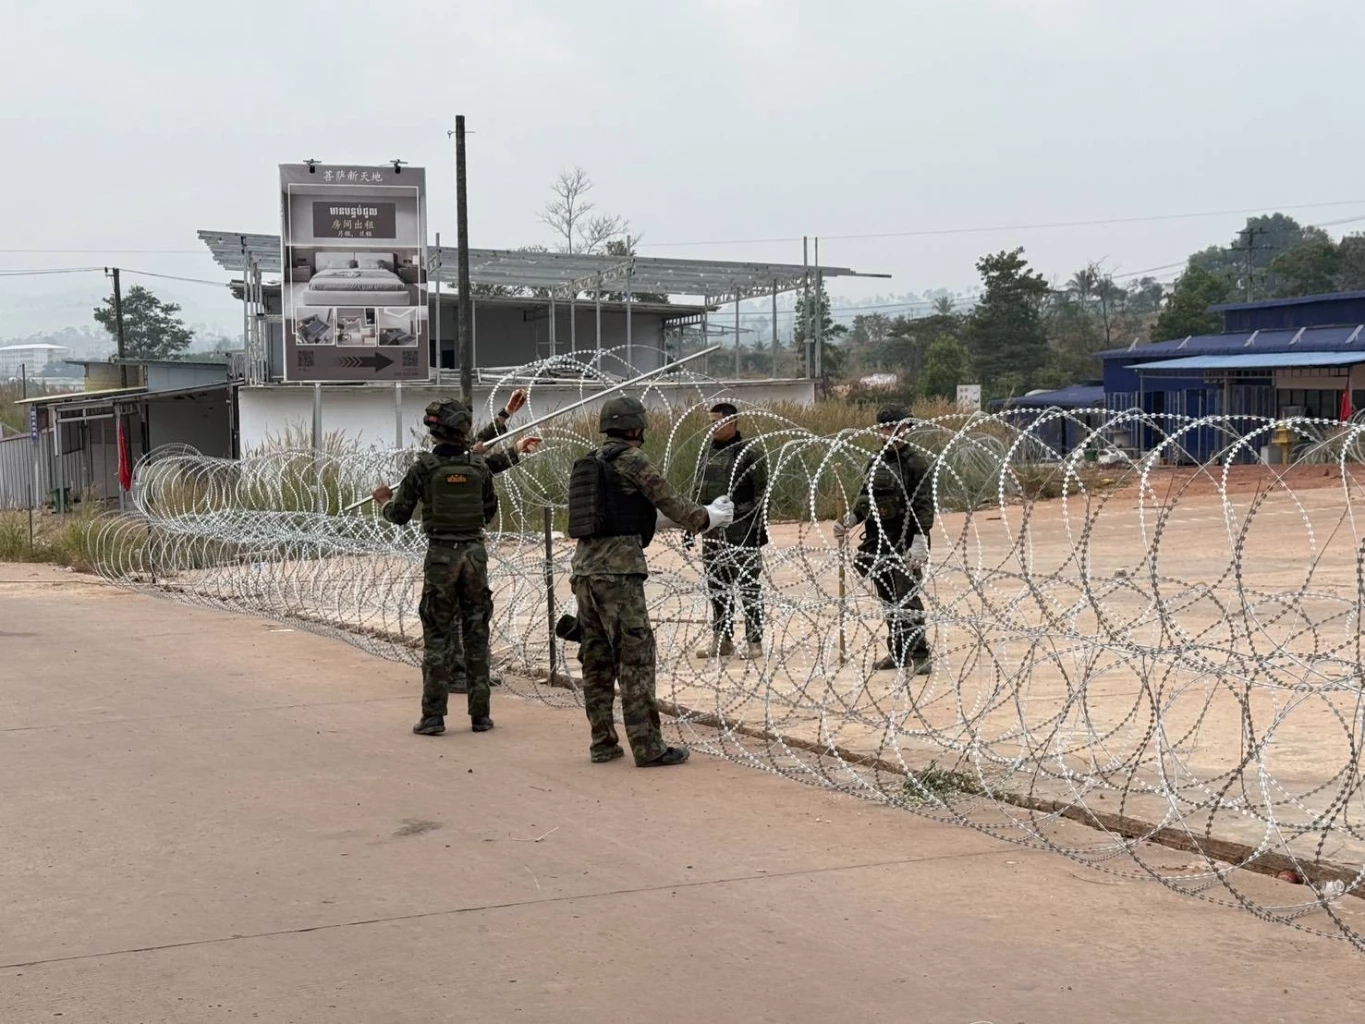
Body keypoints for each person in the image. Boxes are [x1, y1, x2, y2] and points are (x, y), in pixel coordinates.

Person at [567, 395, 734, 766]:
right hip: (619, 575)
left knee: (596, 662)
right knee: (635, 658)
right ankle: (648, 747)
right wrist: (708, 517)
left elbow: (613, 515)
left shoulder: (588, 463)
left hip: (584, 573)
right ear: (635, 427)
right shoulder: (632, 460)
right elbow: (673, 504)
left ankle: (602, 743)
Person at [373, 398, 529, 736]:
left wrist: (384, 500)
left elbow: (399, 515)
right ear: (463, 430)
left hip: (442, 556)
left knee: (438, 635)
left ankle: (433, 717)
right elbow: (489, 511)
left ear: (434, 430)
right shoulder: (478, 468)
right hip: (475, 556)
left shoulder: (423, 469)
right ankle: (480, 716)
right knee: (477, 633)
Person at [443, 389, 540, 697]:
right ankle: (454, 673)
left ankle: (472, 671)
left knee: (474, 611)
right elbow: (480, 459)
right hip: (453, 546)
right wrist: (510, 442)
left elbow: (482, 458)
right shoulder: (442, 463)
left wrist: (508, 423)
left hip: (467, 546)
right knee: (458, 612)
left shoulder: (457, 458)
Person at [834, 404, 934, 675]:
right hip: (877, 540)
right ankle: (898, 652)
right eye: (885, 427)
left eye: (895, 427)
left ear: (906, 429)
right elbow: (864, 498)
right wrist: (851, 519)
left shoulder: (916, 463)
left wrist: (920, 540)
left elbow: (924, 505)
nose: (890, 432)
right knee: (889, 599)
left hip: (904, 540)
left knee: (907, 599)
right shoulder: (874, 460)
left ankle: (920, 653)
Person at [691, 402, 768, 660]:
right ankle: (722, 639)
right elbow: (698, 489)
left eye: (717, 422)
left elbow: (762, 496)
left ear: (732, 423)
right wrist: (693, 523)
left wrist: (741, 516)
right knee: (717, 587)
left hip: (741, 532)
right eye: (710, 422)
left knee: (748, 586)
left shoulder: (749, 453)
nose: (712, 427)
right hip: (712, 531)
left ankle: (754, 640)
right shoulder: (707, 452)